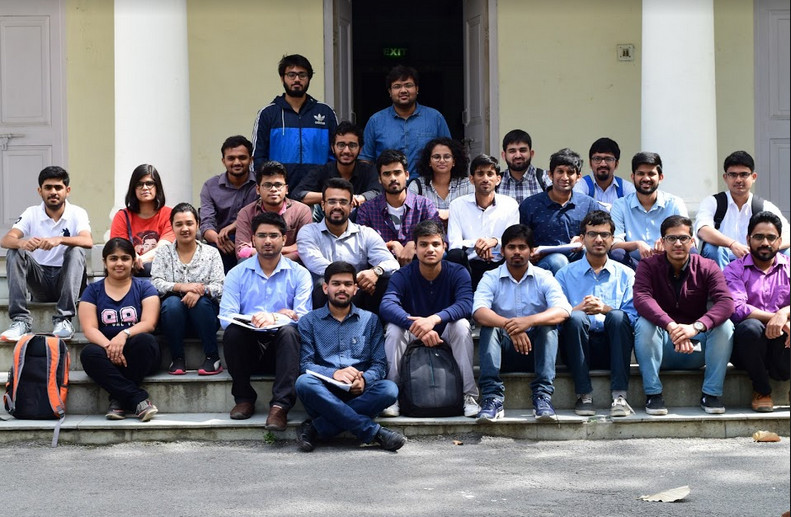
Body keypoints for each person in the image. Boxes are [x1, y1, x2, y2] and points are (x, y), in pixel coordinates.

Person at [294, 261, 406, 452]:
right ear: (326, 288)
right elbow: (306, 365)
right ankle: (374, 432)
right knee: (303, 383)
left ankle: (315, 428)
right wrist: (334, 374)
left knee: (389, 389)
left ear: (355, 289)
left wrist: (364, 379)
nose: (342, 289)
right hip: (324, 392)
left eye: (347, 284)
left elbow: (379, 364)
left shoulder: (370, 320)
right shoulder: (309, 321)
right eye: (336, 284)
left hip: (359, 391)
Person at [633, 215, 734, 415]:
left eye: (683, 238)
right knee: (644, 324)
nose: (678, 243)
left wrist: (695, 327)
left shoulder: (708, 266)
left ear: (692, 241)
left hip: (697, 348)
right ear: (662, 242)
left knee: (726, 326)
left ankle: (711, 395)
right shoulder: (648, 265)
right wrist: (671, 326)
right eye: (671, 238)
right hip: (662, 347)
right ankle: (653, 395)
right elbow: (641, 298)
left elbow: (726, 302)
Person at [219, 212, 312, 428]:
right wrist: (259, 319)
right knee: (233, 332)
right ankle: (243, 399)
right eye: (262, 236)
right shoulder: (237, 273)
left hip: (283, 349)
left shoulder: (299, 274)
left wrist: (274, 317)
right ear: (253, 239)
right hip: (250, 346)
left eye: (273, 235)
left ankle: (280, 406)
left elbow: (304, 317)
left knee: (289, 332)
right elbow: (226, 316)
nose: (267, 241)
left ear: (284, 239)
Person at [379, 220, 479, 418]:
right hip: (413, 332)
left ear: (444, 247)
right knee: (394, 329)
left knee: (462, 326)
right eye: (423, 244)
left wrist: (433, 320)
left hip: (445, 330)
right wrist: (417, 326)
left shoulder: (458, 272)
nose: (430, 249)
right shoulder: (402, 275)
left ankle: (469, 395)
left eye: (435, 244)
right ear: (415, 248)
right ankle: (392, 396)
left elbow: (466, 304)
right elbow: (387, 305)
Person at [473, 224, 572, 422]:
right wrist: (511, 326)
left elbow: (563, 310)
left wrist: (528, 321)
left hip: (536, 350)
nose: (517, 252)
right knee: (490, 328)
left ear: (532, 251)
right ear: (502, 251)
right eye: (511, 247)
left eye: (522, 247)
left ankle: (543, 397)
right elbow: (479, 312)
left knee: (548, 327)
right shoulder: (491, 277)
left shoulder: (544, 277)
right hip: (504, 350)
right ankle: (492, 398)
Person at [556, 210, 637, 417]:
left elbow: (634, 318)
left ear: (612, 239)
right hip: (577, 346)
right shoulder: (565, 274)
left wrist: (605, 309)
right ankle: (584, 396)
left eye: (604, 234)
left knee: (618, 316)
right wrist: (577, 309)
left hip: (613, 347)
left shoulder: (626, 274)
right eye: (592, 234)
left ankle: (620, 397)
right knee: (575, 317)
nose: (599, 239)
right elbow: (554, 315)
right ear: (582, 238)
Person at [1, 166, 92, 341]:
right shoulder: (31, 212)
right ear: (40, 191)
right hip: (40, 281)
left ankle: (64, 320)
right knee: (14, 252)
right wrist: (22, 243)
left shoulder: (77, 212)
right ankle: (20, 321)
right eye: (48, 187)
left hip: (67, 280)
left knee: (76, 250)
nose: (53, 192)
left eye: (58, 187)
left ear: (67, 190)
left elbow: (87, 241)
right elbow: (6, 239)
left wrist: (59, 239)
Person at [78, 237, 160, 421]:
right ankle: (137, 399)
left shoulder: (144, 287)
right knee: (89, 354)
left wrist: (123, 335)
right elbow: (89, 329)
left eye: (125, 258)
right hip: (107, 353)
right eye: (113, 258)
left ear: (133, 261)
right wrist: (110, 347)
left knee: (146, 341)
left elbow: (149, 323)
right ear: (105, 262)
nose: (119, 263)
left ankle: (118, 400)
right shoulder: (92, 291)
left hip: (138, 353)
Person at [296, 178, 399, 313]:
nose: (337, 206)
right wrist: (356, 280)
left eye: (343, 202)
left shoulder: (366, 233)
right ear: (323, 205)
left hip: (360, 295)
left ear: (351, 207)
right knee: (323, 283)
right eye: (332, 201)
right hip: (324, 298)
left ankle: (375, 325)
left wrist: (376, 271)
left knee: (385, 280)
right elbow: (316, 264)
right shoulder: (308, 232)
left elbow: (392, 263)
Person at [724, 211, 789, 412]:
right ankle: (762, 391)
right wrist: (776, 318)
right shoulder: (734, 269)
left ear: (779, 241)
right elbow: (737, 309)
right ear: (748, 239)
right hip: (748, 348)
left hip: (782, 344)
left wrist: (784, 314)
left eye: (771, 237)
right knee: (750, 327)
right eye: (759, 237)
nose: (765, 243)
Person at [151, 203, 225, 376]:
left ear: (197, 224)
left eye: (189, 223)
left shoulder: (211, 253)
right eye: (179, 224)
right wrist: (181, 287)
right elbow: (155, 282)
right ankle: (177, 358)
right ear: (172, 226)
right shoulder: (163, 253)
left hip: (205, 318)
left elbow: (220, 285)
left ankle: (212, 357)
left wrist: (199, 291)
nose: (185, 229)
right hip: (173, 319)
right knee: (172, 303)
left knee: (202, 303)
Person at [251, 54, 338, 190]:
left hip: (318, 192)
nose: (297, 79)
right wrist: (267, 187)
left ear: (309, 78)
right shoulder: (268, 113)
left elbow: (336, 154)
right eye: (291, 75)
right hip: (279, 192)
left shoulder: (326, 112)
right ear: (282, 78)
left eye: (302, 75)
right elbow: (258, 156)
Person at [695, 150, 790, 269]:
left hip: (755, 260)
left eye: (744, 174)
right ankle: (721, 281)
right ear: (725, 177)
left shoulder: (763, 206)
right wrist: (732, 244)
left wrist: (763, 248)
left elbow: (788, 234)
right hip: (722, 260)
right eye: (733, 175)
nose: (738, 180)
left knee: (787, 252)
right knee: (712, 249)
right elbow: (703, 230)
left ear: (753, 177)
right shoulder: (713, 202)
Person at [519, 148, 601, 274]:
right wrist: (529, 251)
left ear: (578, 177)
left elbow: (601, 233)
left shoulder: (588, 204)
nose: (565, 177)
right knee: (558, 260)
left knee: (588, 252)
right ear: (550, 175)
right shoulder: (531, 205)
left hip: (577, 257)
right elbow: (520, 239)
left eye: (570, 172)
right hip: (544, 264)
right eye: (560, 171)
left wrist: (584, 240)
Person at [360, 65, 451, 177]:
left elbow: (448, 155)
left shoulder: (435, 118)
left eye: (408, 85)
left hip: (427, 185)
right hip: (387, 185)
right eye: (397, 86)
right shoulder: (375, 122)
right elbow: (366, 161)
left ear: (417, 89)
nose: (403, 90)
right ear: (390, 91)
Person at [356, 149, 441, 266]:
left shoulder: (424, 205)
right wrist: (391, 245)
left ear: (407, 175)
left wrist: (415, 244)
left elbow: (439, 240)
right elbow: (362, 246)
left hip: (420, 267)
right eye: (387, 174)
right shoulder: (367, 209)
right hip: (381, 268)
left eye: (397, 173)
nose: (393, 178)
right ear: (379, 179)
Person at [447, 154, 519, 290]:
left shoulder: (510, 205)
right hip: (469, 263)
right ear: (471, 179)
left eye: (490, 174)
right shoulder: (457, 205)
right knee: (454, 255)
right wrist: (478, 245)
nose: (485, 179)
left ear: (498, 179)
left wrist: (494, 241)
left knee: (517, 251)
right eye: (480, 174)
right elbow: (454, 244)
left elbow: (513, 239)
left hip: (500, 260)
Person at [610, 152, 689, 267]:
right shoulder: (620, 205)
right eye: (641, 174)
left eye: (651, 174)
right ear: (633, 177)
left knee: (691, 252)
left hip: (668, 263)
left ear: (660, 177)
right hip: (633, 265)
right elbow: (614, 243)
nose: (646, 178)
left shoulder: (674, 203)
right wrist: (637, 244)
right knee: (617, 253)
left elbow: (688, 239)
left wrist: (668, 242)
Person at [199, 135, 259, 273]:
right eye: (231, 158)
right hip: (221, 243)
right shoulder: (210, 186)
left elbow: (262, 213)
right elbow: (206, 224)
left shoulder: (260, 183)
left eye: (242, 157)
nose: (237, 162)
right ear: (223, 161)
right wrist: (219, 240)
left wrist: (233, 227)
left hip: (253, 241)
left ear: (251, 160)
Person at [291, 121, 381, 210]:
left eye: (352, 145)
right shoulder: (322, 171)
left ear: (360, 149)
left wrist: (361, 198)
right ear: (333, 148)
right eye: (341, 145)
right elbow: (297, 194)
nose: (346, 151)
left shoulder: (369, 170)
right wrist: (331, 196)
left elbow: (378, 192)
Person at [235, 161, 312, 262]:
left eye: (278, 185)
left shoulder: (302, 210)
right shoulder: (246, 213)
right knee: (243, 262)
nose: (273, 189)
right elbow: (242, 251)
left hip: (291, 264)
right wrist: (278, 253)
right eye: (267, 185)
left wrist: (272, 256)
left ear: (286, 189)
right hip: (256, 263)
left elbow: (305, 248)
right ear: (258, 189)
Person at [110, 164, 174, 276]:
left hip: (162, 274)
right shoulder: (122, 217)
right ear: (133, 188)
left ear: (157, 186)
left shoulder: (170, 214)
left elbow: (164, 248)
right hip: (129, 275)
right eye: (139, 184)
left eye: (149, 183)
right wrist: (133, 260)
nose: (144, 188)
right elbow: (119, 248)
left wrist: (140, 260)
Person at [409, 137, 473, 224]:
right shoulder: (417, 186)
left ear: (454, 161)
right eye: (436, 157)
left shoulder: (467, 184)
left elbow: (473, 213)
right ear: (429, 162)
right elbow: (410, 217)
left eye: (447, 157)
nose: (442, 161)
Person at [573, 137, 635, 211]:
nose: (603, 164)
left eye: (608, 159)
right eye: (597, 159)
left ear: (616, 164)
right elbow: (579, 203)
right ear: (590, 163)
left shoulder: (626, 188)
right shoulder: (580, 185)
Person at [496, 129, 551, 204]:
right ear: (504, 155)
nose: (518, 155)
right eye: (512, 151)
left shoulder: (545, 178)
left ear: (531, 154)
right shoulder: (496, 182)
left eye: (522, 150)